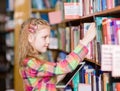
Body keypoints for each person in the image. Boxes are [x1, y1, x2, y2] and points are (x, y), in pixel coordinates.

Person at [18, 17, 96, 91]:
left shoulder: (28, 60)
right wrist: (86, 40)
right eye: (44, 37)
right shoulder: (31, 63)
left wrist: (62, 72)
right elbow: (65, 66)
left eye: (49, 37)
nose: (48, 41)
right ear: (30, 38)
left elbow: (45, 84)